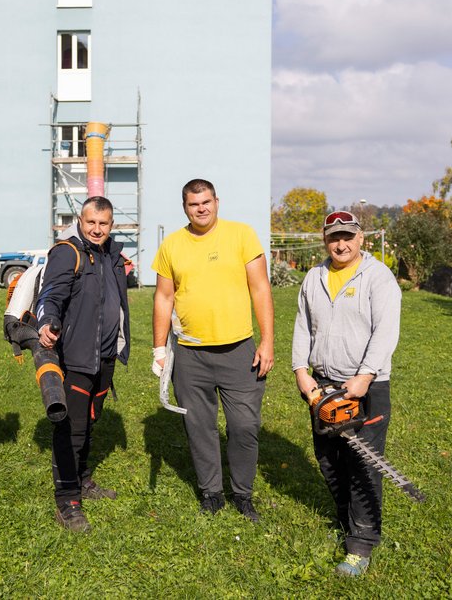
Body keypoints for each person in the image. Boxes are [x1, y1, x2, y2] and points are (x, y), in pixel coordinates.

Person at [151, 178, 274, 522]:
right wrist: (159, 349)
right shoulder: (172, 245)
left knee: (244, 425)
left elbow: (261, 289)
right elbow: (163, 297)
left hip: (239, 352)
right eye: (193, 204)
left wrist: (267, 341)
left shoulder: (242, 235)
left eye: (206, 201)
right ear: (185, 207)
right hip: (191, 355)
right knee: (199, 427)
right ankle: (211, 491)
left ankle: (243, 494)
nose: (201, 208)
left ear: (217, 202)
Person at [292, 210, 402, 577]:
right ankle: (347, 522)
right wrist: (301, 372)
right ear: (326, 240)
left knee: (363, 464)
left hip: (365, 387)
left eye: (348, 237)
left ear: (361, 239)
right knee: (328, 459)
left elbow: (385, 331)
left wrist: (365, 376)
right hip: (322, 387)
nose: (341, 244)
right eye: (334, 237)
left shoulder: (378, 278)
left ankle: (361, 544)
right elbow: (303, 327)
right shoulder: (314, 277)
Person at [36, 196, 130, 532]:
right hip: (76, 356)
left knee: (91, 421)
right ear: (80, 219)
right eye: (91, 222)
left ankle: (83, 479)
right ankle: (67, 500)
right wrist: (47, 321)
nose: (96, 229)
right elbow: (52, 294)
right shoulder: (67, 251)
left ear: (111, 224)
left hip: (104, 356)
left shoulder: (110, 255)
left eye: (103, 224)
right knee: (72, 429)